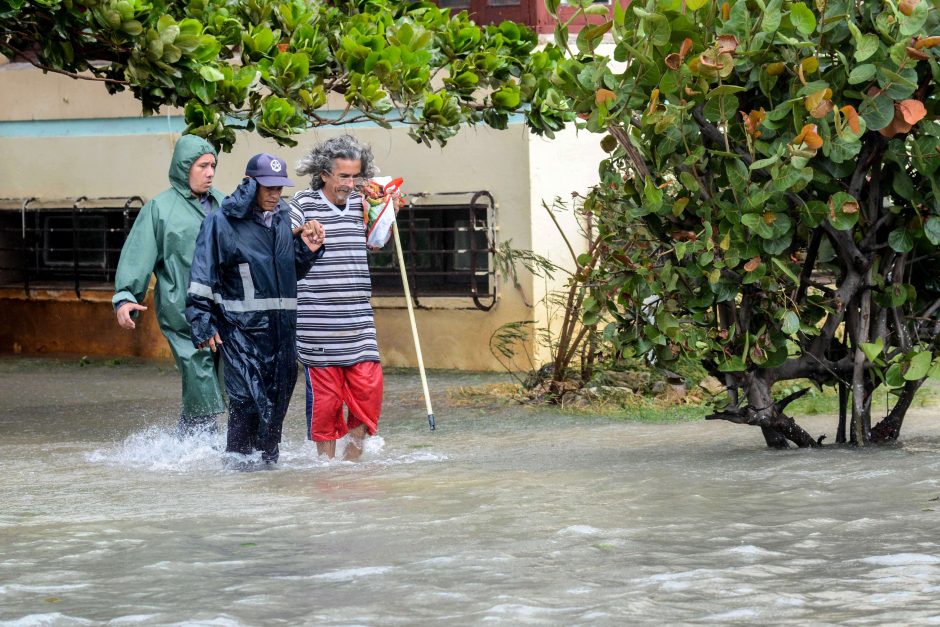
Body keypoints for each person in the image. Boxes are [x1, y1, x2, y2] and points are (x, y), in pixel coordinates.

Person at [185, 153, 326, 464]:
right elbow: (201, 276)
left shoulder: (283, 217)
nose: (275, 194)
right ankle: (236, 478)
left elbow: (288, 272)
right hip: (240, 332)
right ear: (250, 185)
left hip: (282, 334)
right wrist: (201, 322)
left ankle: (265, 482)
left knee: (275, 409)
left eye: (280, 188)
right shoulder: (221, 222)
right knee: (246, 404)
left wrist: (308, 250)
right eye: (268, 187)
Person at [289, 134, 401, 461]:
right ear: (324, 173)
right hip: (317, 322)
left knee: (369, 391)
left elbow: (376, 243)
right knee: (325, 403)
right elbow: (282, 227)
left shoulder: (363, 203)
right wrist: (302, 229)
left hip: (358, 319)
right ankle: (325, 466)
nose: (350, 184)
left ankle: (352, 462)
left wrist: (387, 212)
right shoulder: (303, 204)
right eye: (343, 176)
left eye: (356, 176)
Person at [112, 134, 227, 436]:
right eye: (203, 165)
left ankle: (191, 448)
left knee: (229, 385)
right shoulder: (159, 209)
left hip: (227, 312)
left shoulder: (225, 204)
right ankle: (198, 454)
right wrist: (125, 297)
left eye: (213, 165)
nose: (210, 172)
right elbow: (138, 254)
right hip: (183, 314)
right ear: (184, 166)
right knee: (200, 377)